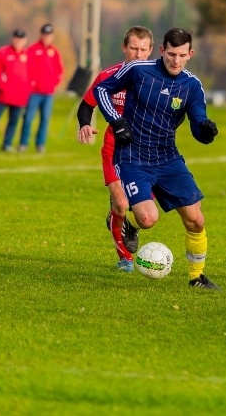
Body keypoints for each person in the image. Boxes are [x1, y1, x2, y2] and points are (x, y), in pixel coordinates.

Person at [94, 27, 221, 289]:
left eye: (182, 55)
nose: (176, 61)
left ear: (190, 54)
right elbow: (102, 90)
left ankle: (196, 277)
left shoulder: (191, 85)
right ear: (162, 50)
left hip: (167, 157)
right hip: (133, 155)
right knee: (148, 219)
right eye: (171, 54)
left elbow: (198, 125)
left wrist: (206, 132)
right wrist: (116, 121)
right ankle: (128, 222)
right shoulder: (139, 70)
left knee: (196, 219)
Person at [77, 26, 154, 272]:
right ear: (124, 47)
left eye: (143, 49)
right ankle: (125, 258)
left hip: (147, 152)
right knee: (121, 204)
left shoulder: (158, 79)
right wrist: (85, 124)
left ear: (151, 51)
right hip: (114, 148)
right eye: (133, 48)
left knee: (146, 217)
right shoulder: (109, 76)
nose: (138, 54)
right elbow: (86, 105)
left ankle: (127, 223)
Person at [0, 29, 31, 152]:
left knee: (13, 121)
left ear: (25, 40)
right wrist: (2, 87)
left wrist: (27, 89)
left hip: (19, 96)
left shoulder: (27, 55)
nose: (18, 41)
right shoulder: (2, 53)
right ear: (12, 38)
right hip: (3, 95)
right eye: (16, 38)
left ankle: (7, 144)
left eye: (21, 39)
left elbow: (31, 74)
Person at [20, 23, 64, 153]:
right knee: (28, 118)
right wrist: (31, 83)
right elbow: (26, 69)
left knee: (45, 119)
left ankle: (40, 144)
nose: (47, 37)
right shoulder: (33, 49)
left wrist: (55, 82)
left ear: (52, 36)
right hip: (34, 92)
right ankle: (23, 143)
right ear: (41, 35)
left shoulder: (54, 51)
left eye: (49, 35)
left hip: (48, 93)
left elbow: (59, 70)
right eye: (45, 34)